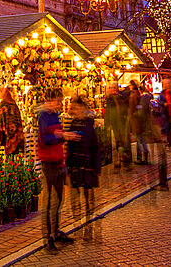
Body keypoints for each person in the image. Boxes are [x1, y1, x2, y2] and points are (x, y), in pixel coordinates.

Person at [38, 87, 79, 253]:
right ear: (51, 100)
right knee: (47, 202)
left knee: (58, 200)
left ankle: (55, 232)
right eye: (58, 101)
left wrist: (64, 135)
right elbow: (46, 139)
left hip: (59, 161)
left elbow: (57, 134)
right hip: (48, 163)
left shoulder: (54, 115)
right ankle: (47, 238)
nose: (60, 105)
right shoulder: (43, 116)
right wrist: (62, 136)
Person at [67, 95, 102, 240]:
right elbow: (69, 146)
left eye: (76, 107)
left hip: (87, 165)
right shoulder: (73, 124)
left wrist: (96, 167)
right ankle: (78, 227)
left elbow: (95, 147)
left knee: (89, 199)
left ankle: (89, 226)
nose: (74, 110)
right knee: (75, 199)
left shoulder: (89, 125)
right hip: (76, 165)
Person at [104, 83, 130, 171]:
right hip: (114, 124)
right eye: (110, 88)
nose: (112, 89)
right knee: (116, 144)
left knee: (123, 143)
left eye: (114, 88)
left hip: (122, 123)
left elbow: (125, 109)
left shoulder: (121, 97)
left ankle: (125, 161)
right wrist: (107, 124)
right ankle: (117, 161)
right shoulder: (109, 99)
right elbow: (108, 113)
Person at [0, 86, 25, 156]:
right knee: (16, 153)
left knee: (9, 154)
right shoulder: (14, 105)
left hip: (8, 133)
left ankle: (10, 165)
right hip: (17, 134)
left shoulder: (3, 105)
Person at [129, 80, 150, 164]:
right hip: (137, 119)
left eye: (130, 85)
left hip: (136, 120)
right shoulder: (136, 93)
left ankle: (144, 156)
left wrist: (131, 114)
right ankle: (142, 156)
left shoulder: (134, 95)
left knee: (139, 138)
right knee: (139, 138)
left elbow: (133, 107)